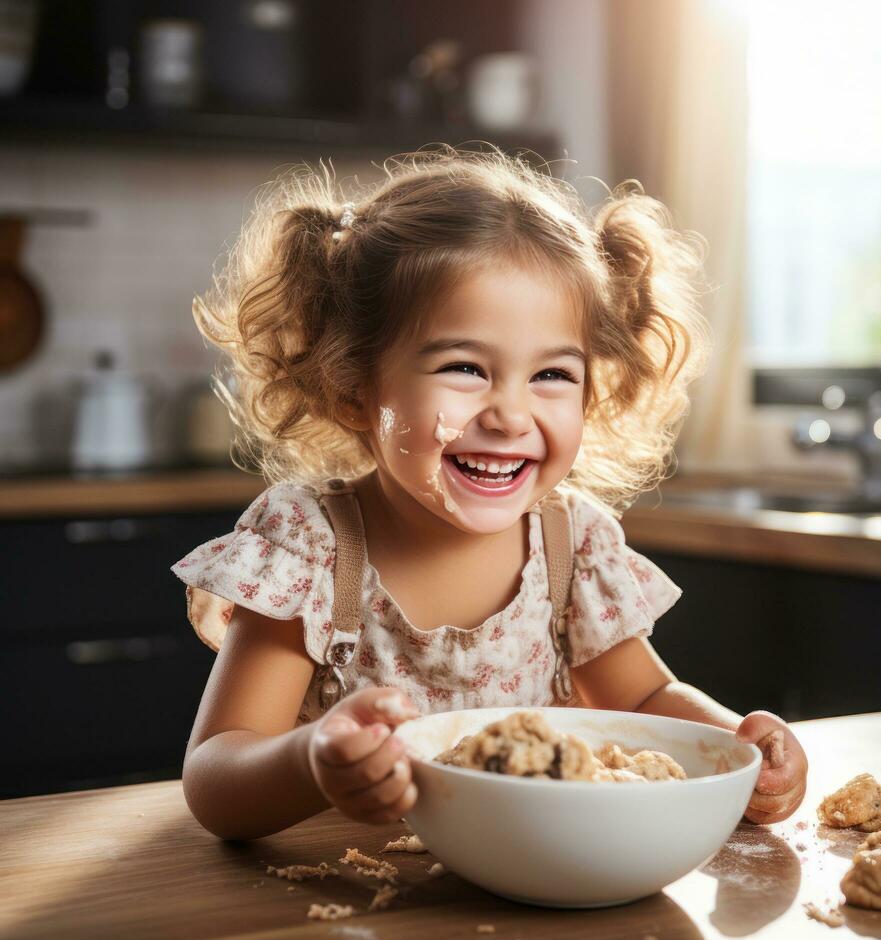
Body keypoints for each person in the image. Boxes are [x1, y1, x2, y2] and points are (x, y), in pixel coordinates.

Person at [173, 145, 807, 841]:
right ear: (355, 388)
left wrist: (742, 741)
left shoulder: (572, 546)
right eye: (466, 367)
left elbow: (647, 697)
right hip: (354, 899)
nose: (510, 415)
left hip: (537, 890)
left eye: (553, 376)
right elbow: (215, 777)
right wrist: (313, 763)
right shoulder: (312, 549)